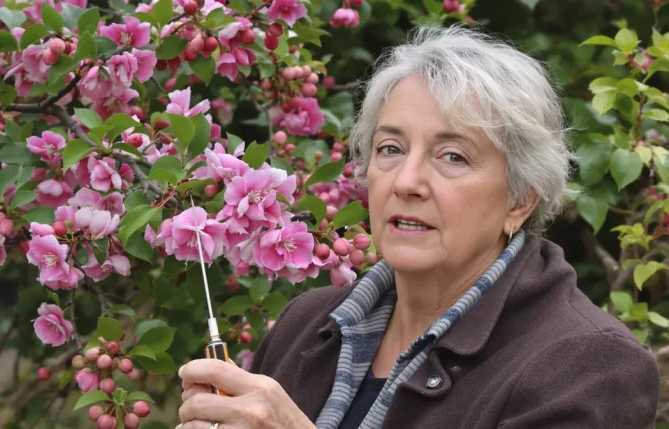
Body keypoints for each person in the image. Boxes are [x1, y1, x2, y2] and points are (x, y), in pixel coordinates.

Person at [175, 25, 660, 429]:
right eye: (390, 149)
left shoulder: (589, 367)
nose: (406, 182)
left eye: (453, 157)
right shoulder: (307, 324)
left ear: (520, 200)